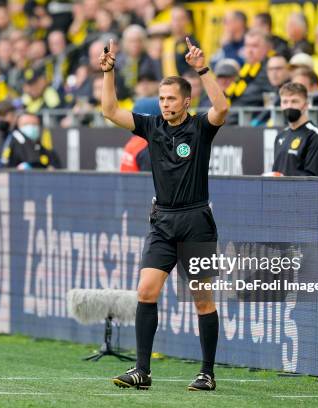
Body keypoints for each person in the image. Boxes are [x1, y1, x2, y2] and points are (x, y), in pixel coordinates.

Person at [100, 37, 228, 391]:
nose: (165, 104)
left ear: (187, 101)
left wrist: (202, 68)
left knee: (202, 300)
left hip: (196, 222)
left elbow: (222, 107)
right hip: (163, 221)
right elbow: (110, 111)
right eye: (161, 99)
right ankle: (142, 371)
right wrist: (108, 73)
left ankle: (207, 373)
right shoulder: (152, 126)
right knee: (146, 291)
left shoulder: (201, 127)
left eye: (171, 98)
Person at [272, 82, 318, 176]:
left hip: (303, 191)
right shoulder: (280, 136)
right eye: (285, 102)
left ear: (306, 105)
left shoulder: (315, 136)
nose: (289, 106)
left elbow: (311, 178)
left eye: (294, 101)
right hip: (279, 190)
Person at [0, 100, 61, 169]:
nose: (0, 119)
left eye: (34, 124)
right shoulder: (6, 138)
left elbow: (35, 162)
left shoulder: (20, 138)